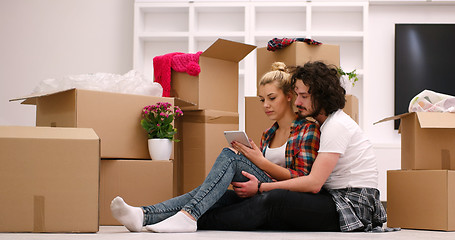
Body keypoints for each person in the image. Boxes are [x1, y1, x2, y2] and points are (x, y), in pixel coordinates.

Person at [109, 62, 321, 233]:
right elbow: (264, 171)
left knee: (231, 157)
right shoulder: (269, 133)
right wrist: (256, 174)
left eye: (272, 98)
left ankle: (189, 216)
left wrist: (259, 163)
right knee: (208, 191)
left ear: (289, 96)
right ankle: (143, 215)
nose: (266, 105)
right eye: (262, 99)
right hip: (261, 190)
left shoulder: (308, 129)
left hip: (287, 197)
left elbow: (302, 179)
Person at [197, 61, 388, 232]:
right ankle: (189, 213)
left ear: (322, 96)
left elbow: (313, 184)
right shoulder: (323, 124)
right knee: (237, 198)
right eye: (297, 95)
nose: (297, 102)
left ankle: (200, 220)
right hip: (331, 196)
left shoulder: (336, 125)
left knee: (275, 200)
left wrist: (261, 187)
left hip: (352, 204)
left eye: (303, 96)